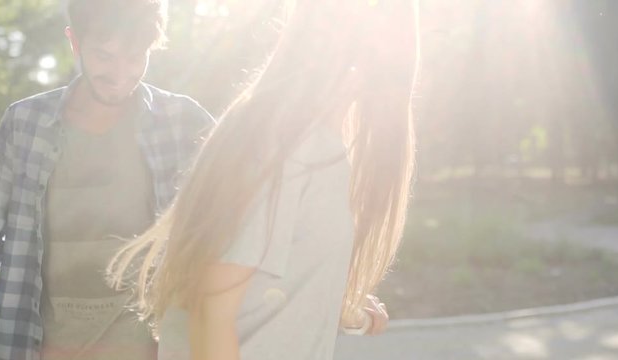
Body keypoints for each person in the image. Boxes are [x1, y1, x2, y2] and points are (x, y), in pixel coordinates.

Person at [108, 0, 418, 359]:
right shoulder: (288, 142)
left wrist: (328, 297)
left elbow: (253, 288)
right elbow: (210, 315)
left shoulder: (319, 144)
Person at [0, 0, 215, 359]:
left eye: (135, 57)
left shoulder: (185, 123)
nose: (120, 74)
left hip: (149, 348)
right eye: (104, 57)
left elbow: (226, 235)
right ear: (74, 42)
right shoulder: (24, 125)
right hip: (42, 346)